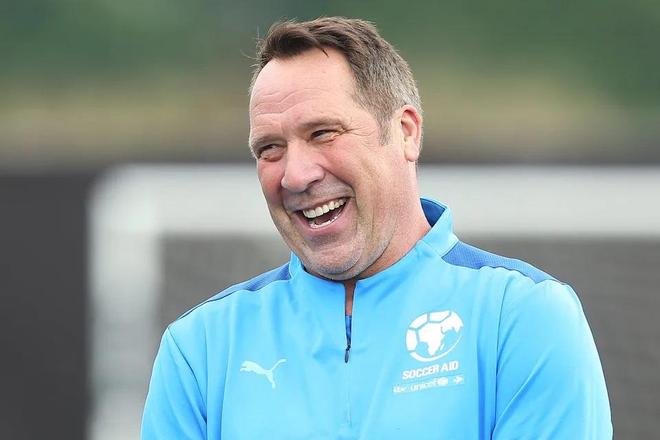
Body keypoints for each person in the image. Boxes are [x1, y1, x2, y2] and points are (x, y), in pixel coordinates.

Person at [142, 17, 612, 439]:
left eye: (322, 133)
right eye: (270, 149)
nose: (295, 175)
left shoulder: (522, 317)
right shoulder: (201, 349)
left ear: (406, 132)